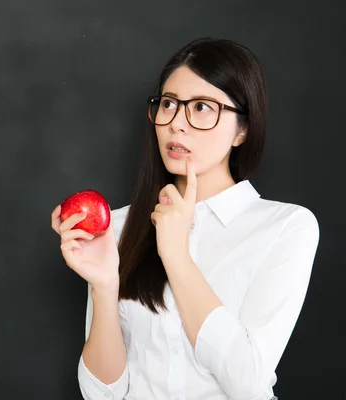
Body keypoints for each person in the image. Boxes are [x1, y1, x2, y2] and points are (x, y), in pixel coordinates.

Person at [50, 37, 319, 400]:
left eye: (203, 107)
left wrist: (176, 255)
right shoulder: (116, 228)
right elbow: (101, 393)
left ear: (242, 129)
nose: (177, 123)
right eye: (169, 104)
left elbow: (249, 384)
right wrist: (104, 286)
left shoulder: (286, 227)